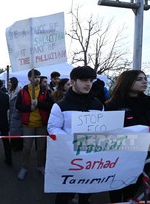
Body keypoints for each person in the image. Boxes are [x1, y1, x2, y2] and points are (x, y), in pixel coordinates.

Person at [47, 66, 103, 204]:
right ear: (72, 82)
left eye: (91, 80)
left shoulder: (98, 104)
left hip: (91, 159)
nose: (88, 84)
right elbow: (53, 127)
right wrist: (71, 141)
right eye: (84, 80)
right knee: (65, 194)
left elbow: (104, 129)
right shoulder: (60, 105)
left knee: (86, 193)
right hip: (69, 159)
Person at [105, 70, 150, 202]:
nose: (144, 81)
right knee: (116, 185)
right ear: (127, 81)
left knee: (135, 185)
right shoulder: (112, 105)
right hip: (120, 154)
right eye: (139, 79)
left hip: (144, 153)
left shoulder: (148, 102)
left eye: (144, 78)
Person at [16, 69, 53, 180]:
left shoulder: (45, 90)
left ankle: (40, 165)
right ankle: (24, 167)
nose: (37, 79)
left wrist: (39, 104)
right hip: (28, 124)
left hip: (42, 124)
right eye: (34, 77)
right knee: (27, 147)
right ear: (29, 78)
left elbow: (50, 105)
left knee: (41, 147)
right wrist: (29, 108)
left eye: (38, 77)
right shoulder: (23, 91)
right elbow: (18, 106)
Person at [8, 77, 23, 152]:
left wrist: (16, 114)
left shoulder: (19, 91)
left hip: (17, 114)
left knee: (17, 130)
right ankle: (13, 144)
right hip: (11, 113)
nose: (9, 83)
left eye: (10, 82)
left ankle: (19, 146)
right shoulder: (11, 91)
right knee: (13, 130)